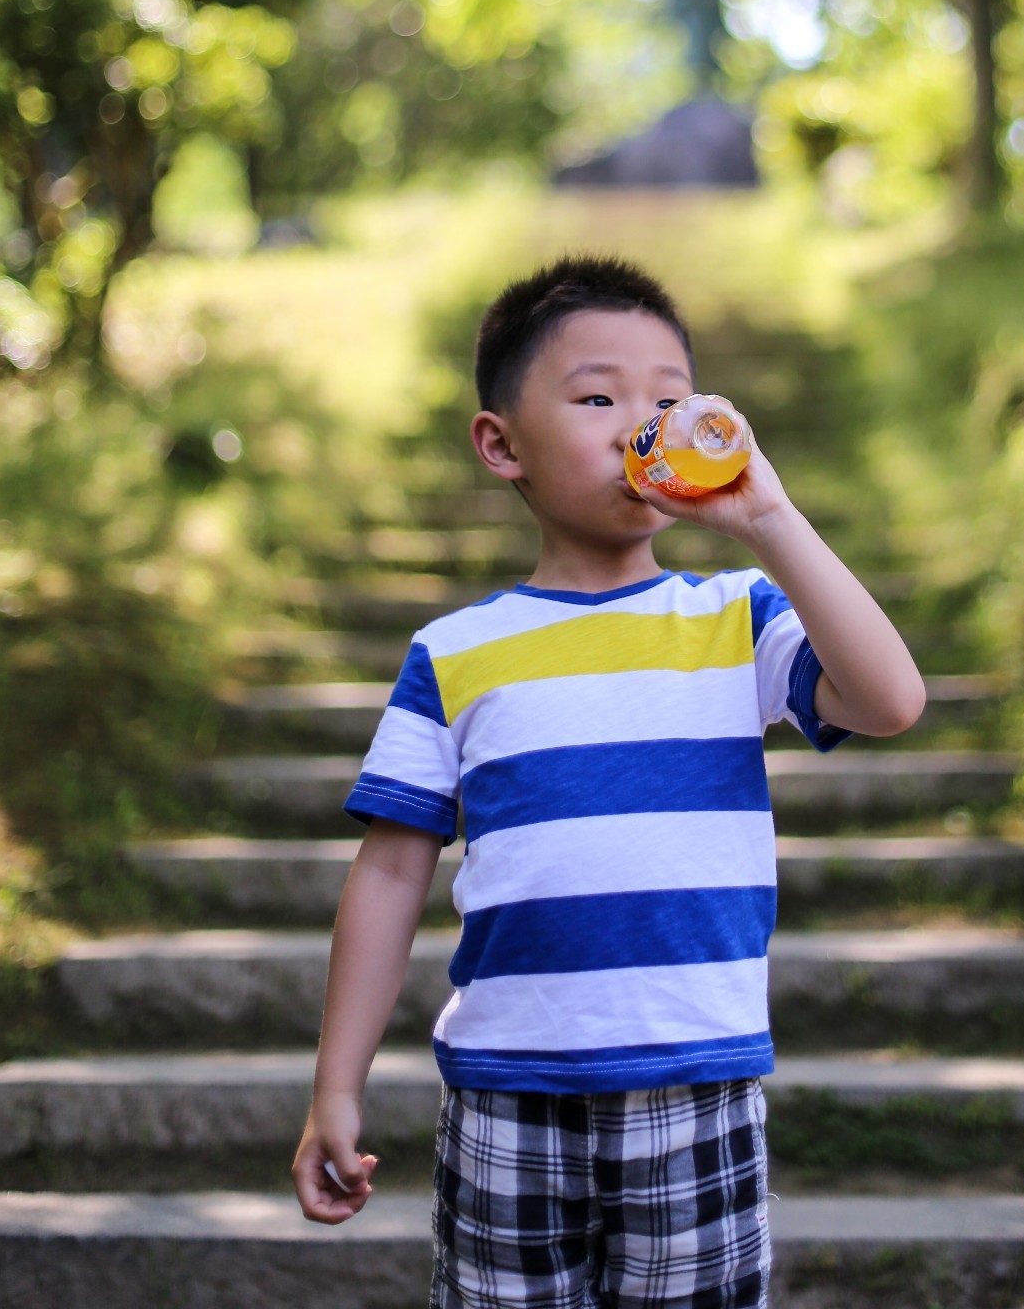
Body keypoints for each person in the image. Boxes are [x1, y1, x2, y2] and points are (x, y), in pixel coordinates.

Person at [291, 254, 926, 1306]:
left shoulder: (736, 615)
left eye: (673, 401)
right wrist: (336, 1085)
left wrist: (769, 518)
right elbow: (392, 872)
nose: (646, 422)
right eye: (598, 397)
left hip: (697, 1078)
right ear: (502, 444)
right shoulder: (456, 649)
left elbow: (892, 698)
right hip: (506, 1089)